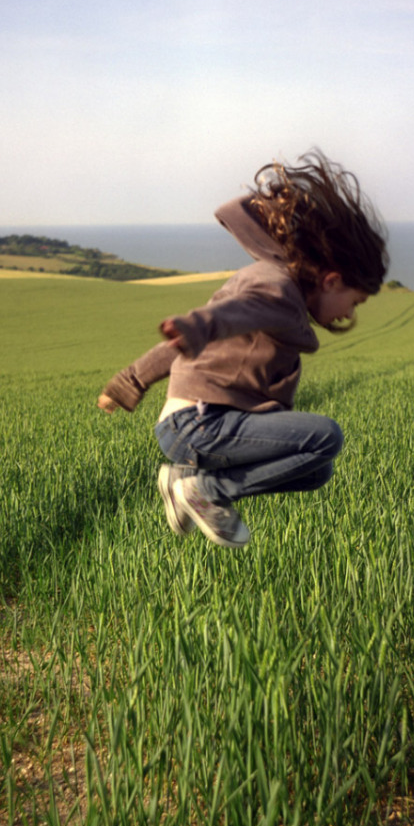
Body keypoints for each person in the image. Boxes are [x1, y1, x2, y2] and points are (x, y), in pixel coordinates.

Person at [97, 149, 388, 548]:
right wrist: (196, 326)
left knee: (316, 470)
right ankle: (207, 491)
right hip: (201, 425)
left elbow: (192, 342)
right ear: (333, 280)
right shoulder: (278, 289)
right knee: (326, 437)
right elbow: (234, 312)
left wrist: (127, 383)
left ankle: (184, 482)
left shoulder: (284, 291)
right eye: (354, 302)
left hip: (189, 427)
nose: (349, 315)